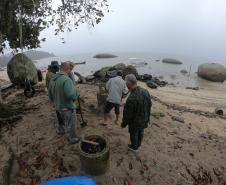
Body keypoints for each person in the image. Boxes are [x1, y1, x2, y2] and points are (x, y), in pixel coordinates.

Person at [48, 62, 80, 144]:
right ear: (67, 69)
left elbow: (50, 95)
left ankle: (62, 130)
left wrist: (56, 102)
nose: (70, 71)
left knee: (63, 122)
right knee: (71, 124)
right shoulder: (66, 79)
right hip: (67, 107)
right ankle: (72, 139)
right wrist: (76, 93)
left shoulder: (53, 79)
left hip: (58, 107)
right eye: (70, 69)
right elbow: (70, 95)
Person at [121, 74, 152, 151]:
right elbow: (149, 104)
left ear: (129, 84)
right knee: (141, 132)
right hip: (144, 119)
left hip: (135, 123)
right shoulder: (145, 91)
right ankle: (138, 144)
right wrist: (147, 117)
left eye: (126, 83)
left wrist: (123, 124)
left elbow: (127, 114)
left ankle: (134, 147)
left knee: (134, 134)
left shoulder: (131, 98)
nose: (126, 85)